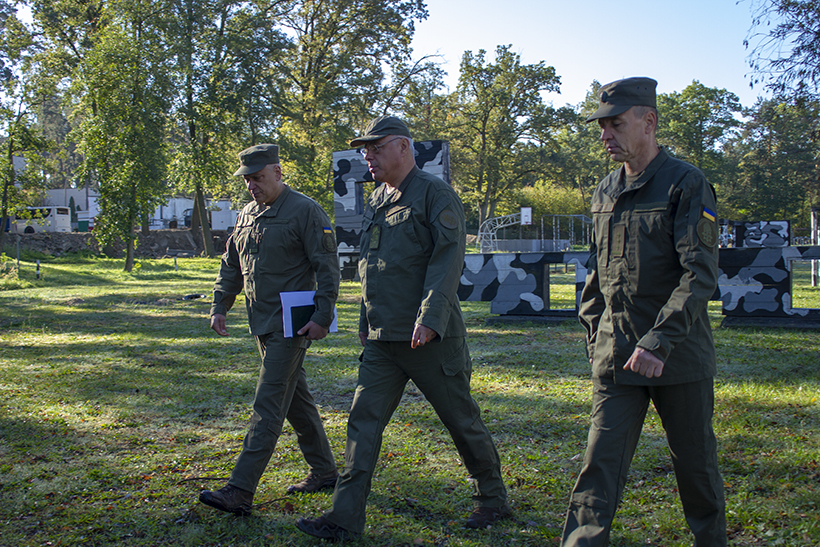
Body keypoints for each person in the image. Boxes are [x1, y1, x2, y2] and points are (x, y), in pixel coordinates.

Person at [296, 116, 510, 541]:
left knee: (460, 420)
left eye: (376, 148)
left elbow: (447, 261)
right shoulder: (378, 198)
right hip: (383, 339)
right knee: (363, 423)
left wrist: (429, 318)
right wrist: (365, 319)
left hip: (430, 337)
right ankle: (344, 517)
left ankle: (492, 497)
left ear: (403, 147)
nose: (368, 157)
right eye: (365, 150)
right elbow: (371, 265)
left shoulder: (435, 194)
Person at [561, 78, 726, 546]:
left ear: (648, 121)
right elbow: (597, 275)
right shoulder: (605, 189)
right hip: (616, 357)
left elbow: (699, 274)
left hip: (678, 355)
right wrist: (595, 338)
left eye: (616, 123)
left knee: (695, 467)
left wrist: (659, 341)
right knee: (599, 465)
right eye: (601, 126)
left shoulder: (685, 183)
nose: (605, 135)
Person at [199, 143, 341, 516]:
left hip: (291, 325)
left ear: (278, 172)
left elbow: (327, 267)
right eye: (247, 180)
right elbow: (231, 264)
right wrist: (220, 305)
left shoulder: (305, 211)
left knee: (268, 403)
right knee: (295, 400)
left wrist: (323, 315)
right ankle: (325, 471)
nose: (252, 186)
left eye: (258, 178)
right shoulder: (247, 214)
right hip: (260, 322)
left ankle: (240, 489)